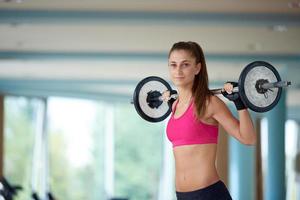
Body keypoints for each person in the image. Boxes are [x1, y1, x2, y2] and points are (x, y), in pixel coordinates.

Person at [164, 41, 256, 200]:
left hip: (208, 194)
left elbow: (248, 138)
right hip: (182, 196)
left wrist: (240, 103)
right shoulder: (175, 106)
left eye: (185, 64)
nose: (178, 70)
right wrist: (168, 100)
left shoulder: (209, 103)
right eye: (173, 65)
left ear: (197, 68)